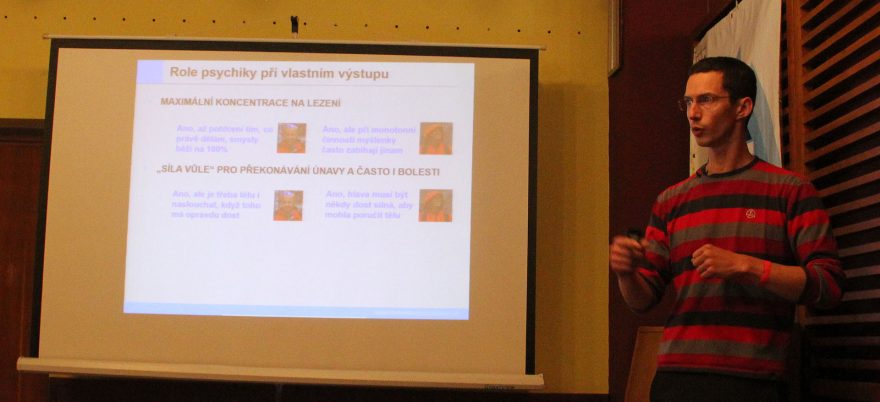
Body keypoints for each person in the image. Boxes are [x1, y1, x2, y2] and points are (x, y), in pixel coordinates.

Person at [609, 57, 845, 402]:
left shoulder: (789, 191)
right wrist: (626, 273)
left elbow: (829, 285)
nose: (693, 113)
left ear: (742, 107)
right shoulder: (672, 200)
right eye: (688, 102)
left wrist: (746, 266)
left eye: (706, 100)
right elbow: (643, 299)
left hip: (754, 379)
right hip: (677, 377)